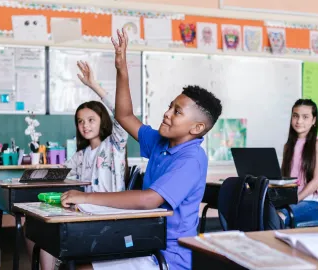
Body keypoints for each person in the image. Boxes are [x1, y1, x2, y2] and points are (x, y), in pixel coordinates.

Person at [60, 28, 223, 270]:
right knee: (77, 256)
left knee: (85, 269)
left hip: (168, 256)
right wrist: (121, 68)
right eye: (170, 106)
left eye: (177, 112)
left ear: (197, 127)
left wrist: (85, 197)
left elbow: (149, 200)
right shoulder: (160, 141)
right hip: (144, 239)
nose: (166, 113)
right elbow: (125, 115)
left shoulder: (192, 159)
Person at [26, 61, 128, 270]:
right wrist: (33, 173)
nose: (85, 125)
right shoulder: (82, 155)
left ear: (103, 121)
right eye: (80, 121)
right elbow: (60, 171)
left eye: (91, 119)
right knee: (32, 226)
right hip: (86, 211)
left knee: (48, 228)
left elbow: (122, 115)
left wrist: (94, 85)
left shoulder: (114, 145)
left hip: (108, 214)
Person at [278, 99, 318, 226]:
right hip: (291, 202)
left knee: (280, 216)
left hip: (313, 203)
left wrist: (296, 199)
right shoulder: (288, 146)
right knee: (259, 212)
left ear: (314, 120)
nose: (299, 121)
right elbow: (283, 178)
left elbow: (317, 181)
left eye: (305, 117)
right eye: (295, 116)